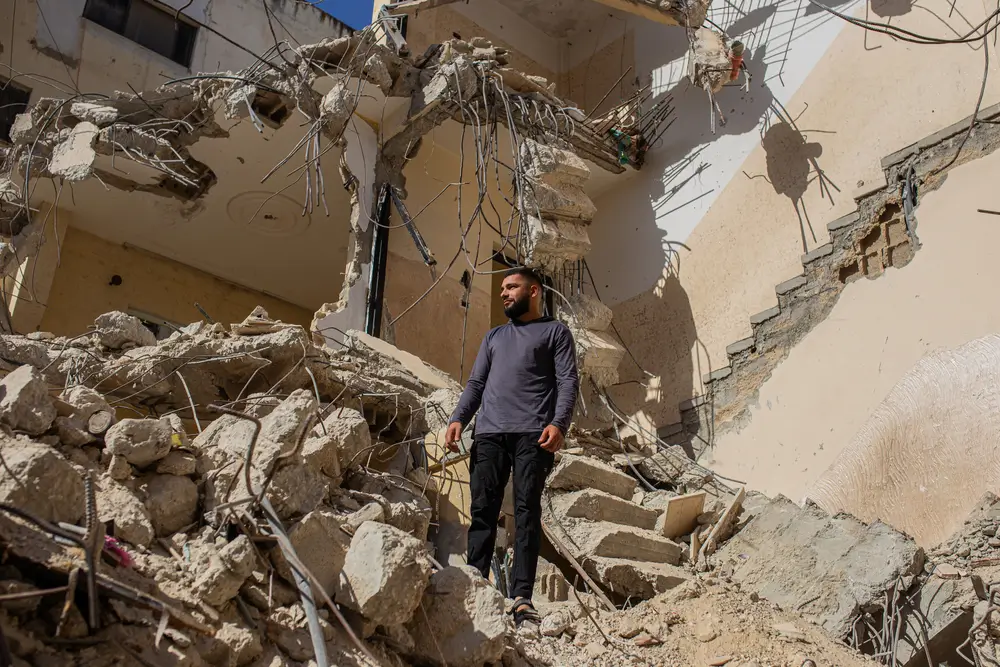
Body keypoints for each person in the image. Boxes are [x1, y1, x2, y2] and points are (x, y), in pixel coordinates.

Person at [445, 267, 579, 627]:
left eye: (511, 287)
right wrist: (459, 418)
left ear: (533, 291)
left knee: (525, 513)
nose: (504, 293)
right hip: (488, 433)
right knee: (483, 509)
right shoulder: (493, 337)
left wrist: (559, 423)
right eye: (502, 288)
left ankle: (522, 597)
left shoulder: (555, 332)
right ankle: (474, 581)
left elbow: (568, 381)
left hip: (533, 435)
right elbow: (476, 383)